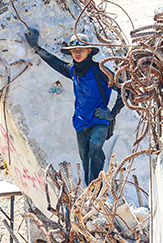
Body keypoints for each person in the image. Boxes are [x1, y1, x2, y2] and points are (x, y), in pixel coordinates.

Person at [24, 28, 124, 185]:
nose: (77, 53)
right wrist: (36, 48)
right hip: (80, 123)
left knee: (95, 147)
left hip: (99, 121)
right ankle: (90, 193)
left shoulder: (100, 70)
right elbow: (55, 62)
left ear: (89, 51)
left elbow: (124, 90)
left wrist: (111, 114)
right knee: (85, 161)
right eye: (74, 51)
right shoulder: (73, 70)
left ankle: (97, 190)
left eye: (81, 50)